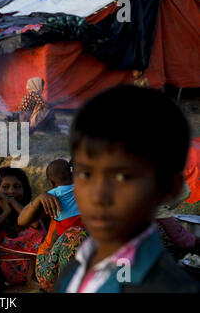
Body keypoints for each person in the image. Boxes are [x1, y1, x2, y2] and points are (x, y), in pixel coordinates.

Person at [53, 85, 200, 293]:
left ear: (169, 187)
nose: (98, 195)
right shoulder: (72, 274)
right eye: (86, 174)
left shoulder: (174, 288)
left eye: (123, 177)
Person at [18, 159, 87, 292]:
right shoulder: (53, 199)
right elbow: (21, 220)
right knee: (76, 234)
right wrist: (40, 198)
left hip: (82, 261)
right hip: (49, 267)